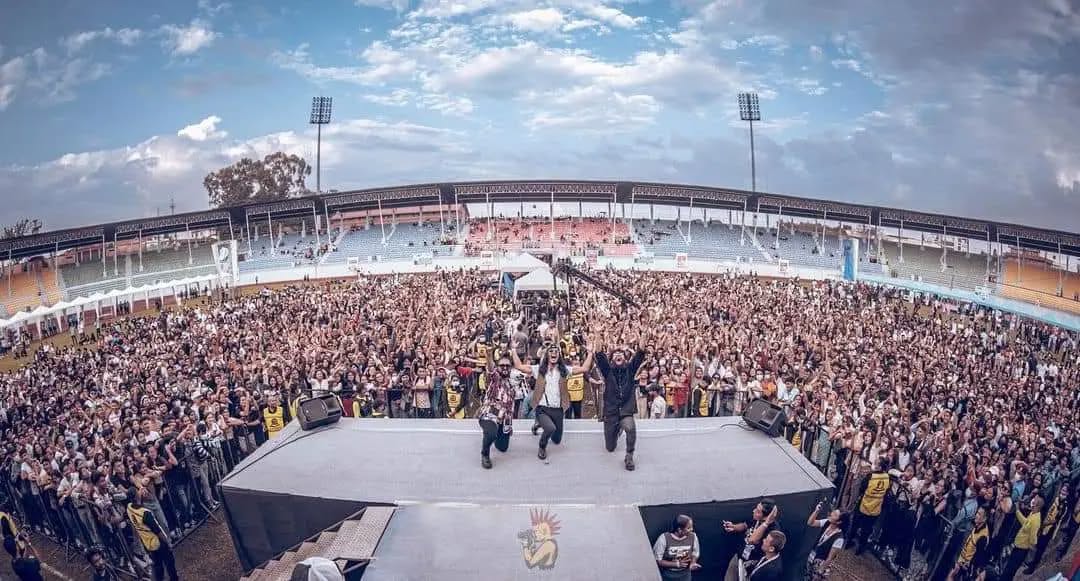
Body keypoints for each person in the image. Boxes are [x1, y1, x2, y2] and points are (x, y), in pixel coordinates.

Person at [511, 342, 593, 461]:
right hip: (543, 408)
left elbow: (584, 369)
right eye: (551, 351)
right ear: (547, 355)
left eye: (556, 352)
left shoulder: (565, 370)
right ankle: (542, 447)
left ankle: (539, 424)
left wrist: (590, 353)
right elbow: (519, 366)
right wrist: (514, 349)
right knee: (550, 429)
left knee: (556, 440)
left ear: (559, 355)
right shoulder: (539, 369)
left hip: (558, 410)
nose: (554, 353)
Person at [593, 329, 646, 471]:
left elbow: (640, 352)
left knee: (630, 428)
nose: (618, 355)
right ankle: (617, 430)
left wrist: (644, 334)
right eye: (615, 354)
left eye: (621, 354)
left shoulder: (630, 369)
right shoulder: (607, 371)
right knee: (610, 447)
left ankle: (629, 456)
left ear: (625, 359)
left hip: (625, 410)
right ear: (612, 359)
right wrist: (597, 334)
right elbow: (599, 354)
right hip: (611, 412)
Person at [126, 487, 179, 581]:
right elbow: (157, 530)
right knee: (169, 562)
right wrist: (167, 542)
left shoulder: (129, 508)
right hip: (157, 541)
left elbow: (137, 505)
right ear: (136, 496)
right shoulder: (145, 513)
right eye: (138, 492)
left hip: (147, 543)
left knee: (158, 565)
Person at [723, 499, 781, 581]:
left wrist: (766, 523)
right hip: (739, 557)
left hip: (750, 565)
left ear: (766, 517)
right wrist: (734, 527)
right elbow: (745, 525)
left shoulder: (773, 529)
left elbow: (752, 540)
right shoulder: (756, 518)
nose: (754, 511)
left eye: (758, 511)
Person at [477, 354, 516, 469]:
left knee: (503, 448)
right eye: (502, 365)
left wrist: (509, 425)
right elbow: (490, 368)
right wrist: (489, 355)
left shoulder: (512, 383)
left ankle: (493, 433)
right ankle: (485, 454)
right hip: (490, 413)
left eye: (507, 365)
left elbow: (511, 406)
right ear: (497, 367)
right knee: (491, 432)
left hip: (504, 418)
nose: (505, 367)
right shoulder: (494, 378)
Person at [850, 458, 891, 555]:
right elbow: (886, 492)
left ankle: (849, 541)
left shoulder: (870, 476)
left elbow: (862, 488)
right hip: (876, 507)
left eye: (876, 463)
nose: (874, 464)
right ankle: (860, 548)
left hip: (864, 504)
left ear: (879, 467)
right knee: (867, 529)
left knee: (855, 524)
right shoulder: (887, 477)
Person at [1001, 495, 1042, 581]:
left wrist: (1030, 547)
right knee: (1008, 569)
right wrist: (1017, 511)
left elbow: (1033, 539)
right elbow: (1025, 523)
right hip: (1017, 546)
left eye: (1034, 500)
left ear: (1037, 505)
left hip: (1021, 550)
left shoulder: (1036, 520)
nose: (1032, 501)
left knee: (1009, 571)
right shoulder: (1032, 513)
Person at [805, 502, 848, 580]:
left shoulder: (839, 539)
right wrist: (816, 511)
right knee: (806, 575)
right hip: (813, 555)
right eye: (833, 512)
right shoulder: (827, 522)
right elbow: (810, 523)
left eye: (835, 515)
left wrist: (820, 571)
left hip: (821, 562)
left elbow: (830, 558)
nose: (831, 514)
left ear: (839, 522)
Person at [653, 514, 701, 581]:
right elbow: (657, 560)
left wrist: (693, 563)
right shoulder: (664, 538)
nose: (692, 529)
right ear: (679, 530)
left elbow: (695, 553)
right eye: (688, 528)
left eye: (692, 527)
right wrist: (676, 564)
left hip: (685, 575)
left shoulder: (693, 536)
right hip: (668, 575)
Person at [947, 506, 990, 581]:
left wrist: (967, 567)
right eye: (977, 513)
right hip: (961, 560)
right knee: (950, 576)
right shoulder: (976, 525)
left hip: (966, 567)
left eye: (979, 514)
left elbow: (978, 556)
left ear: (984, 519)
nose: (976, 515)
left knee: (951, 576)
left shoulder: (983, 537)